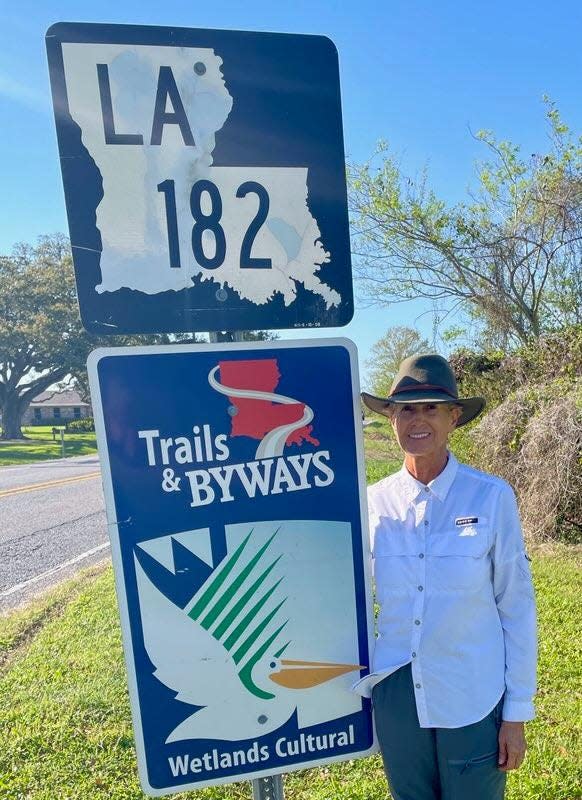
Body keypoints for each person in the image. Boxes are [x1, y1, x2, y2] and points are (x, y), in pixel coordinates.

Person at [355, 354, 537, 800]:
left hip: (471, 689)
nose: (418, 420)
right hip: (398, 692)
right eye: (406, 409)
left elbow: (516, 606)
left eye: (431, 407)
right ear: (391, 419)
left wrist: (515, 715)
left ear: (454, 417)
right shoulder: (371, 504)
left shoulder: (491, 497)